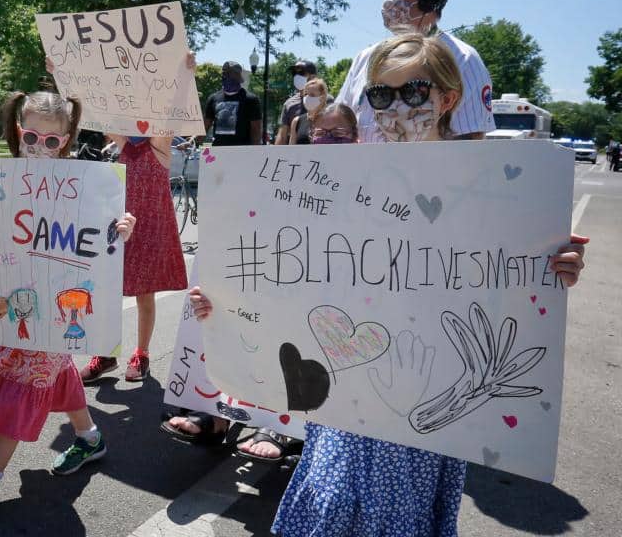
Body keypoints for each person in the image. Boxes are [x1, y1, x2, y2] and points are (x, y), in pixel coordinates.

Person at [187, 34, 590, 537]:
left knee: (395, 517)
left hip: (425, 405)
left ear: (448, 97)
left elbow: (509, 289)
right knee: (330, 504)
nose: (396, 108)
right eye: (381, 95)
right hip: (347, 392)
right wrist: (231, 305)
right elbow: (299, 273)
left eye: (414, 92)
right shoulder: (347, 181)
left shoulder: (498, 191)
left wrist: (553, 267)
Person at [0, 90, 137, 510]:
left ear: (65, 140)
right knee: (53, 371)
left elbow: (105, 238)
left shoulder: (87, 184)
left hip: (60, 309)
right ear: (18, 132)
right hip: (23, 306)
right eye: (31, 137)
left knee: (26, 379)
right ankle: (90, 438)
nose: (40, 146)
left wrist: (121, 228)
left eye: (51, 140)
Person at [162, 102, 358, 461]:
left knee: (299, 338)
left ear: (358, 141)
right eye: (320, 133)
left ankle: (280, 425)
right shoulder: (291, 181)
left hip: (334, 301)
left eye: (339, 134)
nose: (328, 140)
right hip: (286, 285)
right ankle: (218, 412)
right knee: (229, 312)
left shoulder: (369, 189)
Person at [337, 0, 495, 143]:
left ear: (430, 2)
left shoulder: (464, 59)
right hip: (366, 168)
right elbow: (340, 118)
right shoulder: (365, 57)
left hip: (429, 169)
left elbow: (470, 136)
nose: (389, 3)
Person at [204, 61, 262, 146]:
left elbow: (256, 132)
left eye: (229, 73)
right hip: (218, 153)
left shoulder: (251, 99)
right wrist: (191, 141)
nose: (225, 76)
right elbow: (204, 128)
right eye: (224, 73)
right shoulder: (213, 98)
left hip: (241, 153)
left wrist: (255, 153)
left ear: (238, 77)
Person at [275, 60, 333, 145]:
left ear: (313, 76)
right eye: (294, 73)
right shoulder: (289, 104)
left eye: (301, 73)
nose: (297, 76)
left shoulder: (328, 100)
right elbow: (282, 135)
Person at [289, 78, 332, 145]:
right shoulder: (296, 121)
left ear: (322, 97)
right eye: (306, 94)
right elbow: (291, 150)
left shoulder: (330, 120)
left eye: (312, 95)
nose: (307, 98)